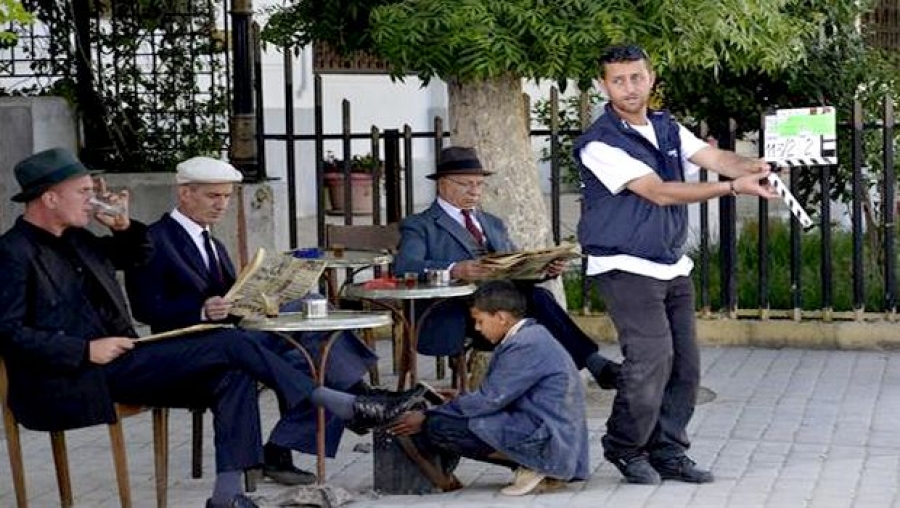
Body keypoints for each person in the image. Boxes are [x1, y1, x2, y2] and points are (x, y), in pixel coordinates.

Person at [0, 148, 420, 508]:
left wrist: (124, 226)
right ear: (49, 198)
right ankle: (342, 403)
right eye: (83, 193)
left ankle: (226, 495)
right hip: (74, 376)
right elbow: (9, 332)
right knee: (228, 341)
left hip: (124, 360)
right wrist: (83, 351)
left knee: (232, 372)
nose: (93, 200)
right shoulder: (12, 252)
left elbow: (136, 255)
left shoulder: (77, 239)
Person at [574, 44, 778, 485]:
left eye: (636, 77)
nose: (629, 88)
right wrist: (733, 189)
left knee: (685, 364)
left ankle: (668, 449)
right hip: (624, 264)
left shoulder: (666, 127)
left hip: (669, 263)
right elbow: (659, 191)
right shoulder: (599, 143)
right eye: (618, 80)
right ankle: (625, 447)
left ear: (650, 78)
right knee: (650, 358)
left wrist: (755, 166)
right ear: (603, 85)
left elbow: (717, 159)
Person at [123, 156, 382, 485]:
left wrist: (268, 294)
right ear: (185, 194)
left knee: (310, 314)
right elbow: (146, 308)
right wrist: (201, 310)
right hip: (186, 346)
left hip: (232, 335)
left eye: (227, 196)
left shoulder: (212, 243)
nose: (222, 205)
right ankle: (354, 396)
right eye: (213, 196)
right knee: (310, 352)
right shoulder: (152, 239)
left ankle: (329, 411)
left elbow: (232, 297)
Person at [393, 145, 620, 389]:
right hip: (459, 312)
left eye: (479, 184)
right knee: (538, 304)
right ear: (443, 185)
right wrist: (454, 269)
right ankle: (592, 365)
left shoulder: (492, 223)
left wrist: (543, 269)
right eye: (466, 184)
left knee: (537, 300)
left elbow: (514, 267)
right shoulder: (420, 225)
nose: (475, 191)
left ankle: (558, 382)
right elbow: (405, 266)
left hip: (505, 306)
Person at [388, 280, 589, 496]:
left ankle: (540, 463)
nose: (477, 328)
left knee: (438, 426)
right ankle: (534, 463)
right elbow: (497, 395)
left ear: (501, 317)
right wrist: (460, 399)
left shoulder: (525, 344)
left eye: (480, 321)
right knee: (451, 418)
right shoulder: (531, 336)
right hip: (545, 428)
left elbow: (489, 401)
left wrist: (428, 415)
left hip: (551, 439)